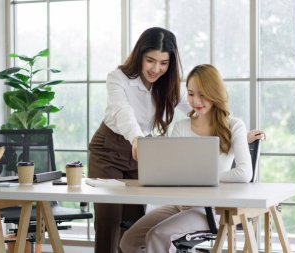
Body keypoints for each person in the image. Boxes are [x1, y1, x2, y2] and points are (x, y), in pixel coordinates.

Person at [88, 27, 264, 253]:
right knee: (108, 219)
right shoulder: (118, 78)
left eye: (163, 62)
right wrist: (137, 140)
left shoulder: (168, 85)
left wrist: (234, 132)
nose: (156, 69)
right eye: (150, 60)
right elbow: (124, 113)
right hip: (111, 147)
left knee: (132, 219)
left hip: (142, 149)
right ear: (139, 55)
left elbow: (201, 103)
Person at [119, 64, 261, 253]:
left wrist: (205, 178)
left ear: (215, 93)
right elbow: (174, 171)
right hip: (179, 205)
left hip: (211, 209)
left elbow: (244, 173)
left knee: (157, 236)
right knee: (129, 240)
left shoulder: (234, 126)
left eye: (202, 94)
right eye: (191, 94)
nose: (196, 101)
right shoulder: (181, 127)